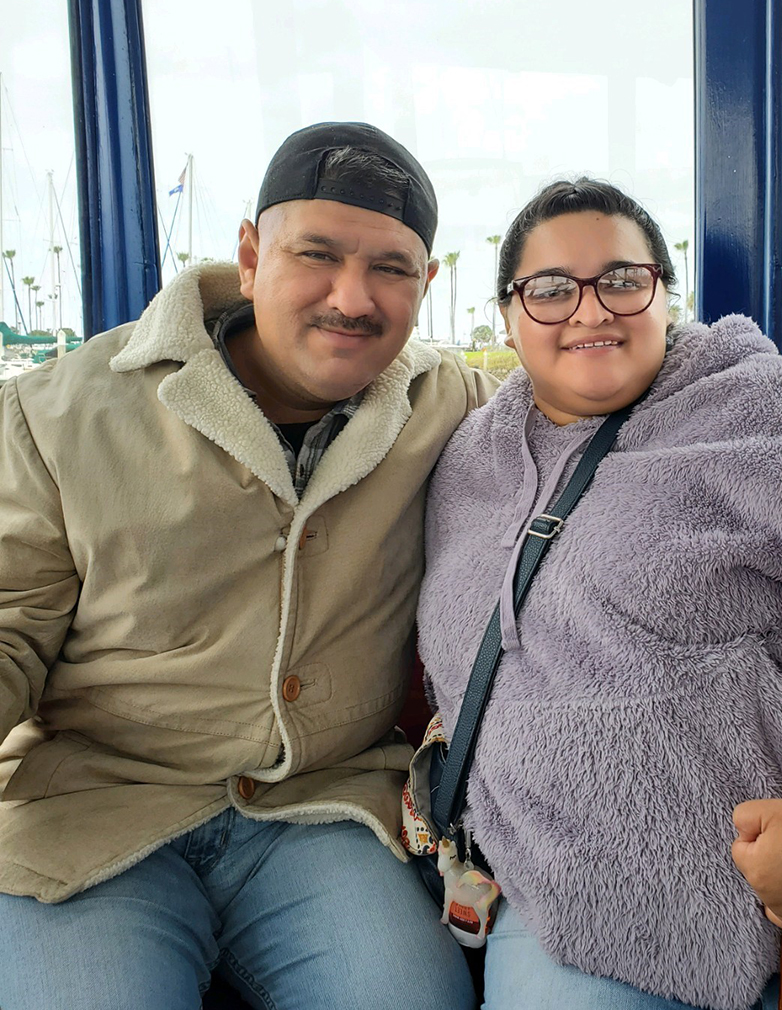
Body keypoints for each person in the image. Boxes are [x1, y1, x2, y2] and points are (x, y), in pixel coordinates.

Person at [416, 178, 782, 1010]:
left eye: (622, 278)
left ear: (663, 292)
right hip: (585, 910)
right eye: (549, 289)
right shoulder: (467, 460)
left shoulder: (781, 410)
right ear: (508, 316)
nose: (589, 311)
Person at [0, 122, 496, 1009]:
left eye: (389, 267)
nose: (351, 296)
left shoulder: (452, 403)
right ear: (249, 254)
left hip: (329, 809)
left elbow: (606, 390)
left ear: (425, 285)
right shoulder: (55, 411)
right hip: (95, 807)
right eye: (317, 254)